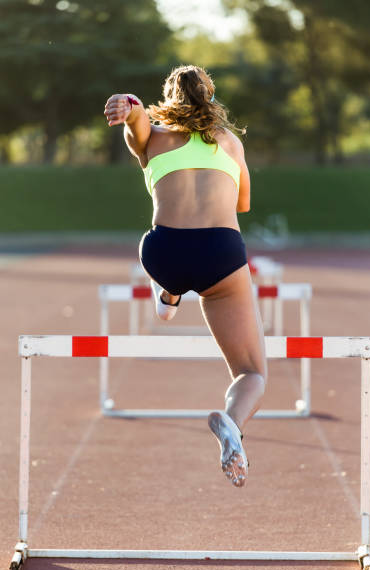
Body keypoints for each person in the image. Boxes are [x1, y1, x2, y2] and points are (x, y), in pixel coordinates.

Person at [104, 65, 267, 488]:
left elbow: (136, 124)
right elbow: (244, 204)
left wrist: (131, 106)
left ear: (169, 99)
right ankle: (232, 423)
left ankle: (170, 293)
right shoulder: (230, 143)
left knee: (165, 260)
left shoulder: (153, 136)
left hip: (164, 251)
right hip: (221, 255)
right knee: (251, 372)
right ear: (210, 98)